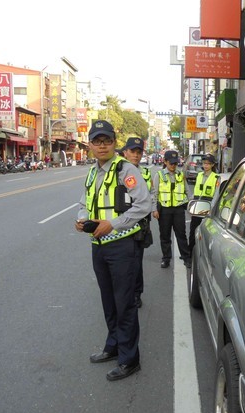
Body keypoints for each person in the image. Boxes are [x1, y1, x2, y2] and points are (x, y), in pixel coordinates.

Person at [75, 120, 152, 382]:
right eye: (97, 141)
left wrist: (113, 224)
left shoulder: (125, 170)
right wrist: (81, 218)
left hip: (122, 246)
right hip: (98, 246)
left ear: (114, 143)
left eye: (106, 140)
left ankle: (130, 359)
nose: (102, 145)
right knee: (108, 302)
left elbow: (143, 204)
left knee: (124, 304)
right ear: (90, 145)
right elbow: (85, 202)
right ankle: (113, 346)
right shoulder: (91, 173)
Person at [120, 137, 152, 308]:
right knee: (121, 263)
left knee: (136, 262)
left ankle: (136, 294)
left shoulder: (146, 173)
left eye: (139, 152)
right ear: (125, 152)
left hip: (139, 224)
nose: (136, 155)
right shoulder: (117, 171)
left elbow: (151, 194)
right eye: (133, 151)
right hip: (120, 224)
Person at [151, 150, 191, 269]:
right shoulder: (159, 175)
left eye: (175, 163)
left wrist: (191, 206)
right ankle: (166, 258)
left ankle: (186, 257)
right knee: (165, 236)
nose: (173, 165)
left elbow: (187, 191)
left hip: (178, 209)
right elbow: (154, 194)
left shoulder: (180, 175)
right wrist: (154, 209)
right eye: (171, 163)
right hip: (164, 210)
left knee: (181, 235)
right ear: (165, 162)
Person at [188, 153, 219, 253]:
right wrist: (190, 201)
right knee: (193, 231)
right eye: (204, 163)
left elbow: (216, 195)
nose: (206, 165)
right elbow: (195, 191)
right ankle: (190, 252)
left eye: (208, 164)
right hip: (197, 207)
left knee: (205, 233)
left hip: (207, 208)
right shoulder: (199, 175)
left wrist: (211, 208)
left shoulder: (216, 177)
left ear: (213, 165)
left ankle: (203, 253)